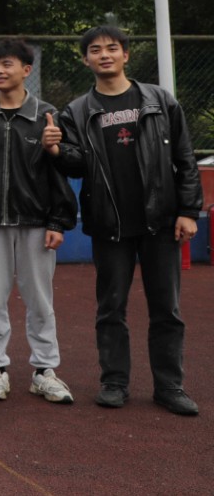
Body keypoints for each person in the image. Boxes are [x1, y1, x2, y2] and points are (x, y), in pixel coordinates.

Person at [49, 26, 201, 416]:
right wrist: (56, 150)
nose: (104, 54)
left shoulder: (160, 100)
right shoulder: (76, 111)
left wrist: (188, 211)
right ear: (85, 59)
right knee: (110, 308)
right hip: (109, 224)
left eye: (112, 48)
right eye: (95, 50)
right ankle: (114, 383)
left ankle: (170, 387)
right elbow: (77, 165)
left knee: (166, 309)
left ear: (125, 55)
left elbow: (184, 159)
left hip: (161, 222)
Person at [0, 39, 76, 403]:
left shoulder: (48, 116)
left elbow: (60, 172)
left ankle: (44, 370)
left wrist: (57, 221)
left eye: (6, 64)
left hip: (37, 223)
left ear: (26, 69)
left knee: (40, 300)